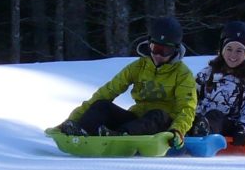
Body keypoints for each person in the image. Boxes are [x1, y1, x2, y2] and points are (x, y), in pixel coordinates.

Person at [57, 16, 197, 149]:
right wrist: (73, 118)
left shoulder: (183, 74)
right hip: (137, 120)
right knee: (102, 104)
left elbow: (187, 108)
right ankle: (81, 130)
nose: (158, 55)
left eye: (165, 51)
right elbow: (108, 91)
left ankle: (121, 136)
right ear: (149, 45)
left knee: (157, 114)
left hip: (163, 124)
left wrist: (178, 131)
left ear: (176, 50)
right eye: (156, 49)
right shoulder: (138, 67)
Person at [189, 21, 245, 146]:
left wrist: (242, 129)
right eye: (229, 49)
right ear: (222, 50)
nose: (233, 55)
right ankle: (196, 129)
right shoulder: (207, 73)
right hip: (201, 119)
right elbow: (191, 96)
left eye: (239, 51)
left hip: (230, 124)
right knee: (203, 117)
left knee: (216, 115)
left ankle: (203, 133)